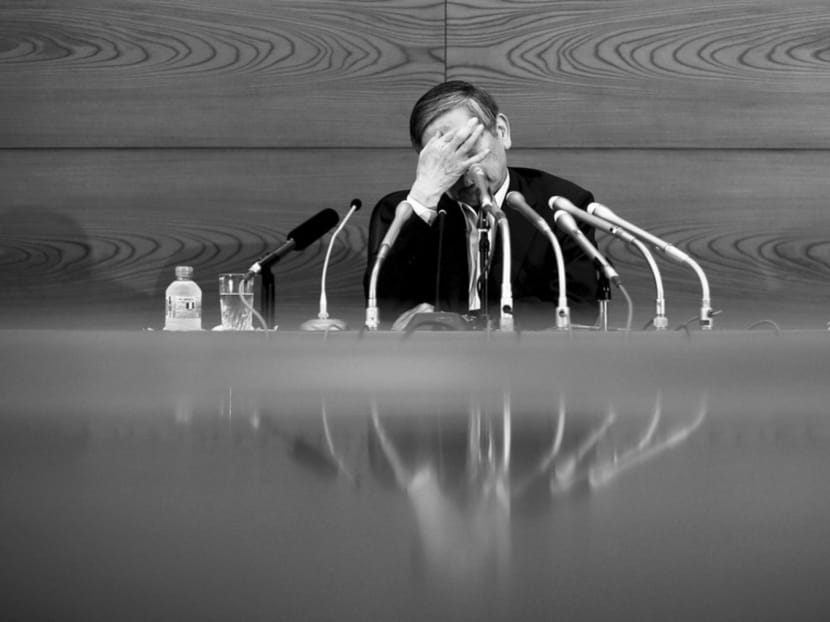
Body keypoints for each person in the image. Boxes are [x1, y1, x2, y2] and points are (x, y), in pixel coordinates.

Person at [364, 80, 602, 330]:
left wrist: (471, 324)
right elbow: (382, 311)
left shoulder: (561, 205)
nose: (462, 169)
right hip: (434, 363)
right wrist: (423, 198)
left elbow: (579, 307)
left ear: (501, 131)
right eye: (444, 156)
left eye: (469, 147)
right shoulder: (399, 213)